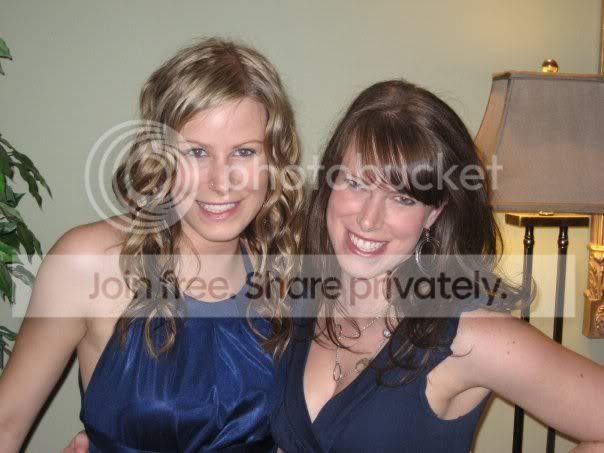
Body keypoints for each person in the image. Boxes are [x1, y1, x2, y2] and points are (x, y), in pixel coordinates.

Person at [0, 37, 304, 452]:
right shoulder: (87, 263)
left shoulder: (288, 274)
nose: (221, 181)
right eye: (196, 152)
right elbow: (6, 424)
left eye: (245, 152)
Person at [270, 80, 604, 452]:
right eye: (356, 183)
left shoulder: (468, 335)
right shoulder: (299, 296)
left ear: (433, 213)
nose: (367, 219)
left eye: (402, 198)